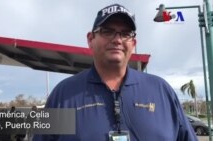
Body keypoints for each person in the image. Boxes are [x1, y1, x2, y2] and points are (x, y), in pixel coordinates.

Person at [33, 3, 198, 141]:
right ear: (90, 39)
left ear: (133, 43)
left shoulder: (161, 91)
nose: (117, 39)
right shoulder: (64, 95)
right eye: (107, 31)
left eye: (125, 33)